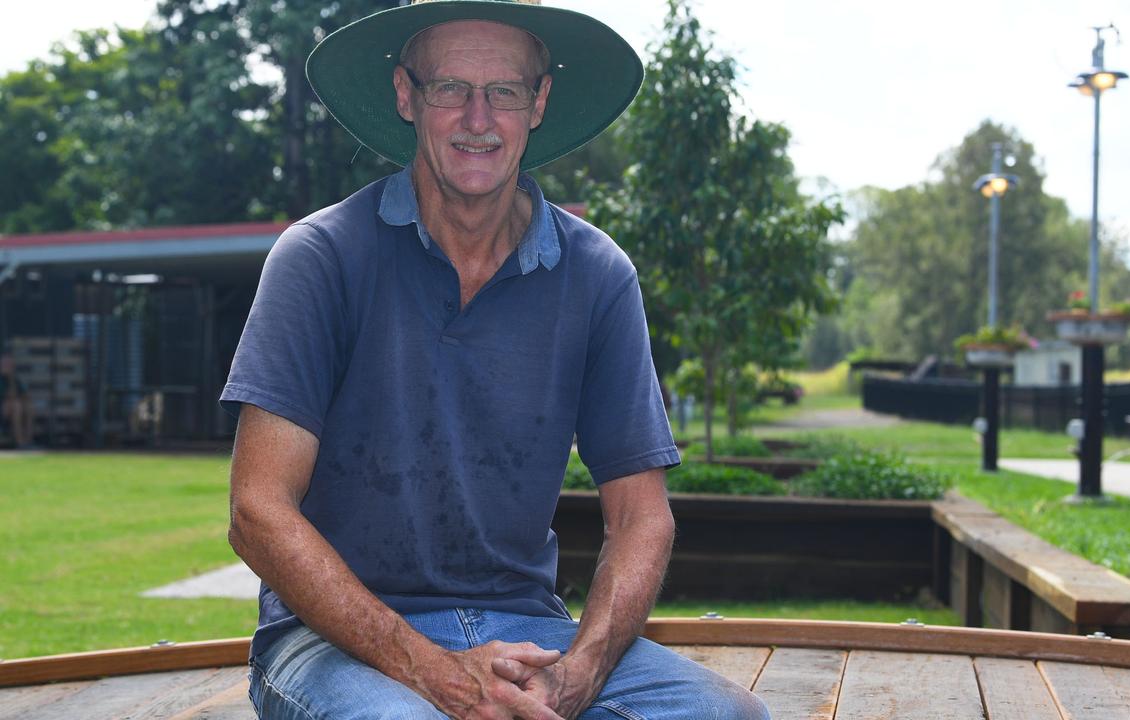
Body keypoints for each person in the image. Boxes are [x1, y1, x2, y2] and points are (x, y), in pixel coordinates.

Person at [219, 1, 770, 719]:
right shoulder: (320, 258)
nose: (477, 119)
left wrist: (581, 673)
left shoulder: (598, 274)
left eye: (504, 91)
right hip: (333, 639)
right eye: (450, 88)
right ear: (406, 96)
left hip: (530, 629)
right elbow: (256, 510)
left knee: (732, 716)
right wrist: (431, 670)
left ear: (538, 103)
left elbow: (642, 517)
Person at [0, 352, 35, 448]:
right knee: (16, 406)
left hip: (12, 407)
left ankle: (29, 441)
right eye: (4, 364)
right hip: (3, 409)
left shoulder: (14, 378)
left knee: (28, 406)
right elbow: (8, 395)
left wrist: (11, 378)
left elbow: (24, 394)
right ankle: (20, 443)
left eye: (9, 364)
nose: (7, 366)